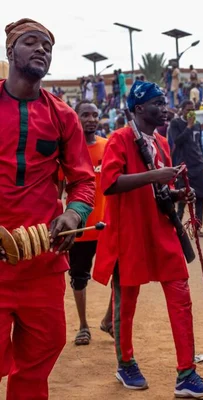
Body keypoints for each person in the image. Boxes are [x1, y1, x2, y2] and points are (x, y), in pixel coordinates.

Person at [92, 80, 203, 397]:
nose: (164, 108)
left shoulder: (160, 141)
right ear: (138, 108)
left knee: (180, 296)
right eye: (157, 103)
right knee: (126, 304)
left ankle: (186, 373)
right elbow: (110, 184)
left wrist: (177, 192)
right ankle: (125, 363)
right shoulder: (120, 140)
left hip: (161, 231)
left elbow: (157, 191)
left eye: (164, 101)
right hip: (129, 233)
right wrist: (155, 176)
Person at [0, 18, 95, 399]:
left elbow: (84, 181)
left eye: (47, 46)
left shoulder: (63, 116)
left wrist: (74, 215)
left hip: (43, 259)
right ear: (10, 52)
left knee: (42, 352)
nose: (41, 49)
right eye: (31, 42)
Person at [57, 100, 110, 346]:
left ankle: (110, 319)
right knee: (79, 278)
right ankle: (83, 326)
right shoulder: (68, 153)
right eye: (85, 114)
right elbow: (57, 192)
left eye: (94, 114)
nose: (90, 119)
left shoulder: (108, 147)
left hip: (108, 226)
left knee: (121, 274)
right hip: (81, 229)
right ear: (75, 118)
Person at [168, 100, 203, 236]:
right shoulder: (175, 124)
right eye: (188, 110)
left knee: (201, 197)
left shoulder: (197, 125)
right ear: (182, 110)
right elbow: (177, 141)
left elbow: (199, 145)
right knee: (183, 198)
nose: (191, 113)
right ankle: (177, 227)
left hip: (198, 166)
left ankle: (197, 227)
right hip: (184, 167)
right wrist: (188, 127)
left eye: (193, 110)